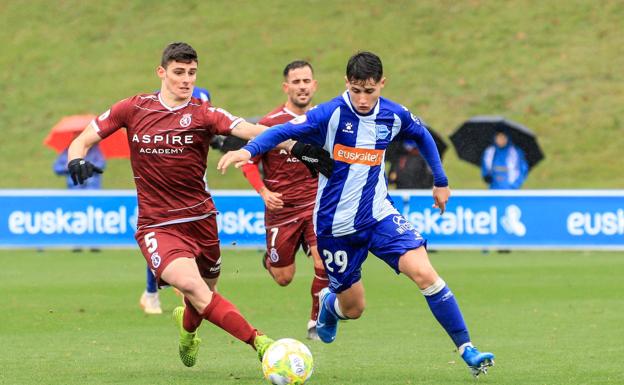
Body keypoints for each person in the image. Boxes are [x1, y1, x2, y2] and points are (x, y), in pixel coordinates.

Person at [218, 51, 495, 377]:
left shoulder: (393, 115)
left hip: (379, 215)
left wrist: (441, 180)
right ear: (347, 84)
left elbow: (422, 135)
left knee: (425, 273)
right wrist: (248, 150)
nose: (363, 99)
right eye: (356, 90)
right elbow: (280, 132)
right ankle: (329, 307)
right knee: (354, 308)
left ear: (382, 84)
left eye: (370, 90)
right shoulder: (329, 114)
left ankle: (467, 349)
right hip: (336, 227)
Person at [67, 42, 289, 369]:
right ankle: (261, 343)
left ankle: (187, 333)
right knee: (192, 286)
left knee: (202, 299)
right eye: (178, 72)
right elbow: (83, 138)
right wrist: (76, 160)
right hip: (156, 225)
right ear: (162, 72)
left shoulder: (204, 114)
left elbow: (255, 130)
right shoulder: (133, 108)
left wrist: (300, 145)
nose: (186, 80)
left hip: (201, 221)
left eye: (192, 73)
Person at [240, 60, 328, 340]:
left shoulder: (325, 120)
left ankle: (316, 321)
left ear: (314, 85)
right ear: (286, 87)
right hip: (281, 211)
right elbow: (247, 162)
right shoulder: (268, 124)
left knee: (323, 262)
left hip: (316, 205)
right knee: (283, 278)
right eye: (297, 82)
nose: (302, 87)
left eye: (307, 81)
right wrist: (264, 193)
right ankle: (271, 260)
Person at [141, 85, 212, 315]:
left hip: (197, 191)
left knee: (199, 248)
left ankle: (188, 291)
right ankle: (152, 294)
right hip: (163, 193)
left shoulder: (203, 101)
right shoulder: (157, 107)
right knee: (161, 242)